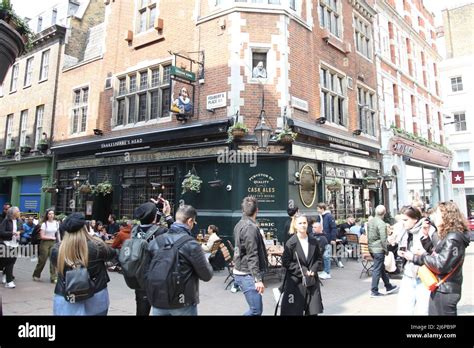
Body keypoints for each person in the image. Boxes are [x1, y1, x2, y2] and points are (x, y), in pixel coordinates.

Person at [401, 202, 469, 315]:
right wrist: (427, 239)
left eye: (437, 214)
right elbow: (437, 253)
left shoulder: (453, 238)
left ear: (446, 216)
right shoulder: (450, 236)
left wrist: (417, 257)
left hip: (446, 289)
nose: (434, 217)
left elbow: (440, 265)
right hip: (440, 287)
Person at [147, 205, 213, 316]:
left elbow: (147, 270)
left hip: (158, 300)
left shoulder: (156, 242)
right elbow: (206, 275)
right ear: (190, 221)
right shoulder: (191, 244)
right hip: (183, 302)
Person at [51, 213, 117, 315]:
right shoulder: (97, 246)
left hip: (66, 298)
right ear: (85, 228)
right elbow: (113, 254)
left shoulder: (57, 250)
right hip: (96, 296)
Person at [133, 200, 173, 316]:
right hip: (158, 278)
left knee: (141, 311)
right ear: (154, 217)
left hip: (140, 277)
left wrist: (157, 213)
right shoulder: (161, 232)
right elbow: (177, 234)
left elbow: (151, 226)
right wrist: (168, 215)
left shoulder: (135, 230)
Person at [396, 205, 437, 314]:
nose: (403, 223)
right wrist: (400, 252)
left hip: (423, 275)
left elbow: (434, 253)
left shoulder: (427, 229)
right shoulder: (404, 231)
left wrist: (415, 256)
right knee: (404, 310)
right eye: (402, 220)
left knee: (423, 311)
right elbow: (399, 245)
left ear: (415, 219)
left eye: (405, 220)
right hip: (408, 275)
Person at [281, 214, 323, 315]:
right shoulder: (291, 243)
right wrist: (303, 271)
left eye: (304, 223)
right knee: (294, 312)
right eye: (300, 223)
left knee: (312, 312)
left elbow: (319, 258)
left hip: (312, 282)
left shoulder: (313, 241)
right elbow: (286, 262)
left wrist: (313, 269)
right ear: (295, 225)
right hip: (296, 283)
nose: (303, 225)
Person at [233, 196, 268, 316]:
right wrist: (257, 279)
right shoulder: (249, 228)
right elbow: (252, 254)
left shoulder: (240, 224)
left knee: (256, 309)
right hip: (247, 274)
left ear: (243, 210)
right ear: (257, 210)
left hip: (243, 271)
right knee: (256, 310)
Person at [367, 205, 398, 297]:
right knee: (377, 269)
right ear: (384, 213)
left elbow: (368, 235)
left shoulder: (370, 222)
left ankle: (388, 286)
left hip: (372, 248)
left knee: (381, 268)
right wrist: (386, 251)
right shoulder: (381, 224)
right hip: (378, 249)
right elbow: (384, 239)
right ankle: (374, 290)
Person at [33, 209, 60, 283]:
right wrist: (51, 237)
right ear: (47, 215)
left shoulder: (56, 223)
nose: (51, 215)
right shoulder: (44, 224)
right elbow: (42, 236)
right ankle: (36, 274)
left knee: (53, 260)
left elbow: (58, 233)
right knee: (43, 260)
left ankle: (53, 277)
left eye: (52, 214)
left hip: (53, 243)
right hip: (45, 242)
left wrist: (59, 242)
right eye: (49, 214)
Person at [0, 206, 22, 288]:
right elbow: (1, 232)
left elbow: (21, 229)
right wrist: (12, 233)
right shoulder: (6, 221)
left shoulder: (19, 221)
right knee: (9, 262)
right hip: (7, 244)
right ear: (13, 213)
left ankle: (6, 276)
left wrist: (19, 232)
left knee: (11, 262)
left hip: (15, 244)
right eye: (18, 211)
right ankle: (9, 281)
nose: (19, 212)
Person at [316, 203, 343, 268]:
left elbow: (334, 228)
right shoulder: (319, 216)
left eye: (318, 209)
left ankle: (327, 270)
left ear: (322, 209)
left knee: (326, 254)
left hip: (328, 238)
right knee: (324, 254)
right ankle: (324, 268)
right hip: (322, 237)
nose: (317, 210)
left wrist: (333, 239)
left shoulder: (329, 216)